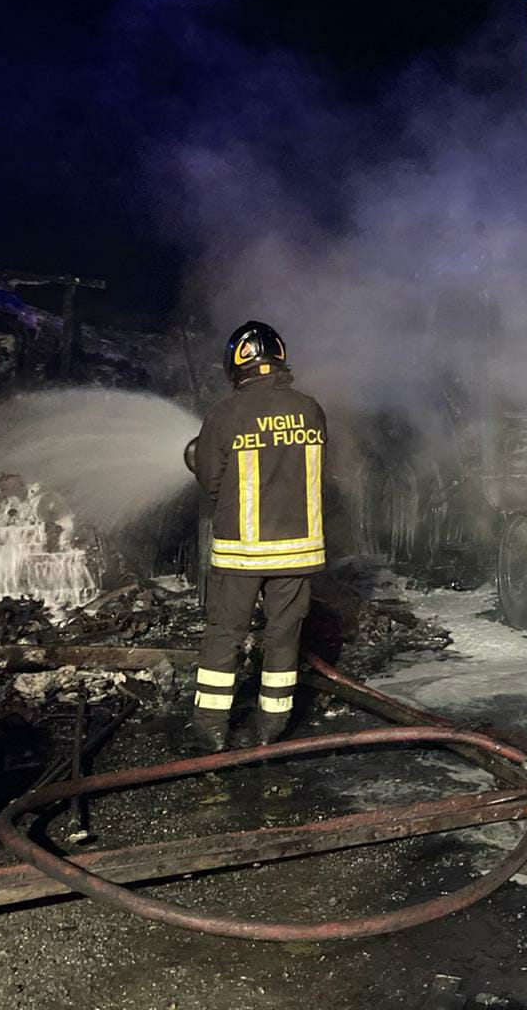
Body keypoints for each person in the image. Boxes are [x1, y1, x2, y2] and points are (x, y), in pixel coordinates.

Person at [188, 320, 327, 751]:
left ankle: (211, 729)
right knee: (284, 635)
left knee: (225, 634)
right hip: (299, 552)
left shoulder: (224, 414)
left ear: (236, 365)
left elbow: (210, 481)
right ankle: (272, 728)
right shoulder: (310, 409)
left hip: (242, 553)